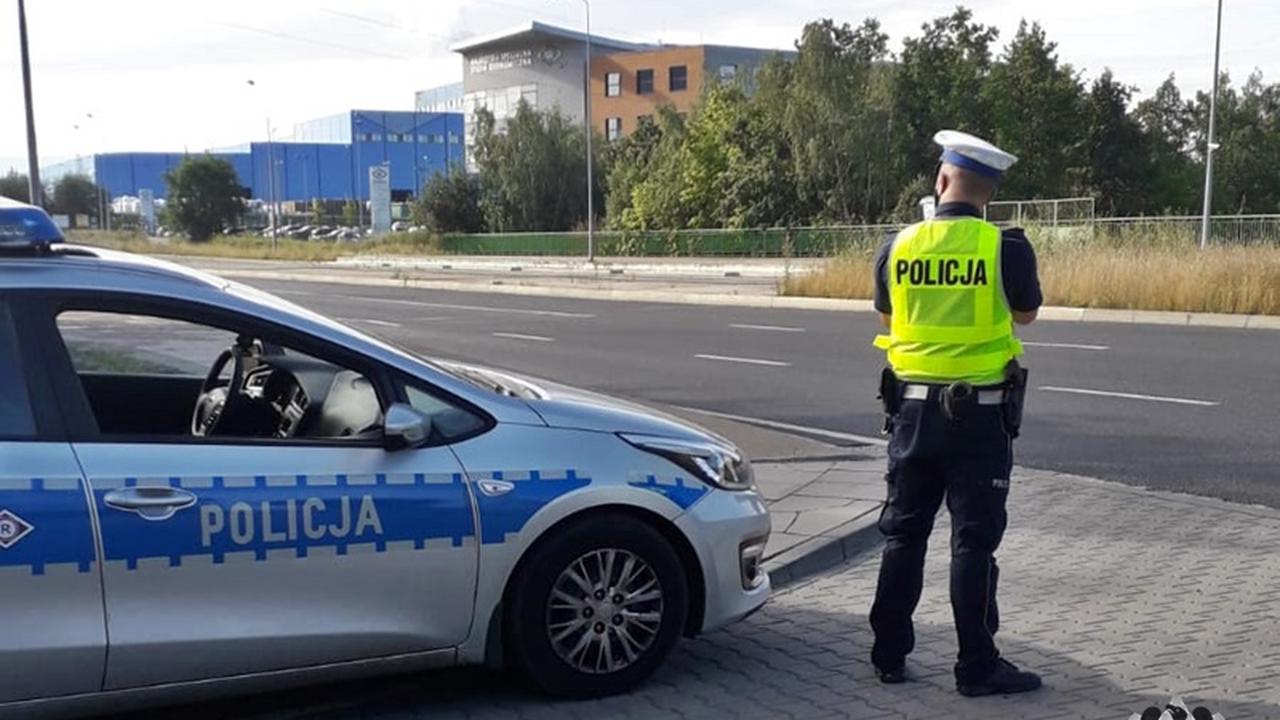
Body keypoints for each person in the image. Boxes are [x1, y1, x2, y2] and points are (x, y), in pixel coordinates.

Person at [867, 130, 1044, 697]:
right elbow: (1026, 314)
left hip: (912, 416)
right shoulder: (1005, 247)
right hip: (981, 419)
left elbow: (885, 314)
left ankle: (888, 655)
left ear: (941, 182)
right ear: (988, 194)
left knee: (903, 537)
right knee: (972, 544)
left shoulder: (898, 245)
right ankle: (976, 667)